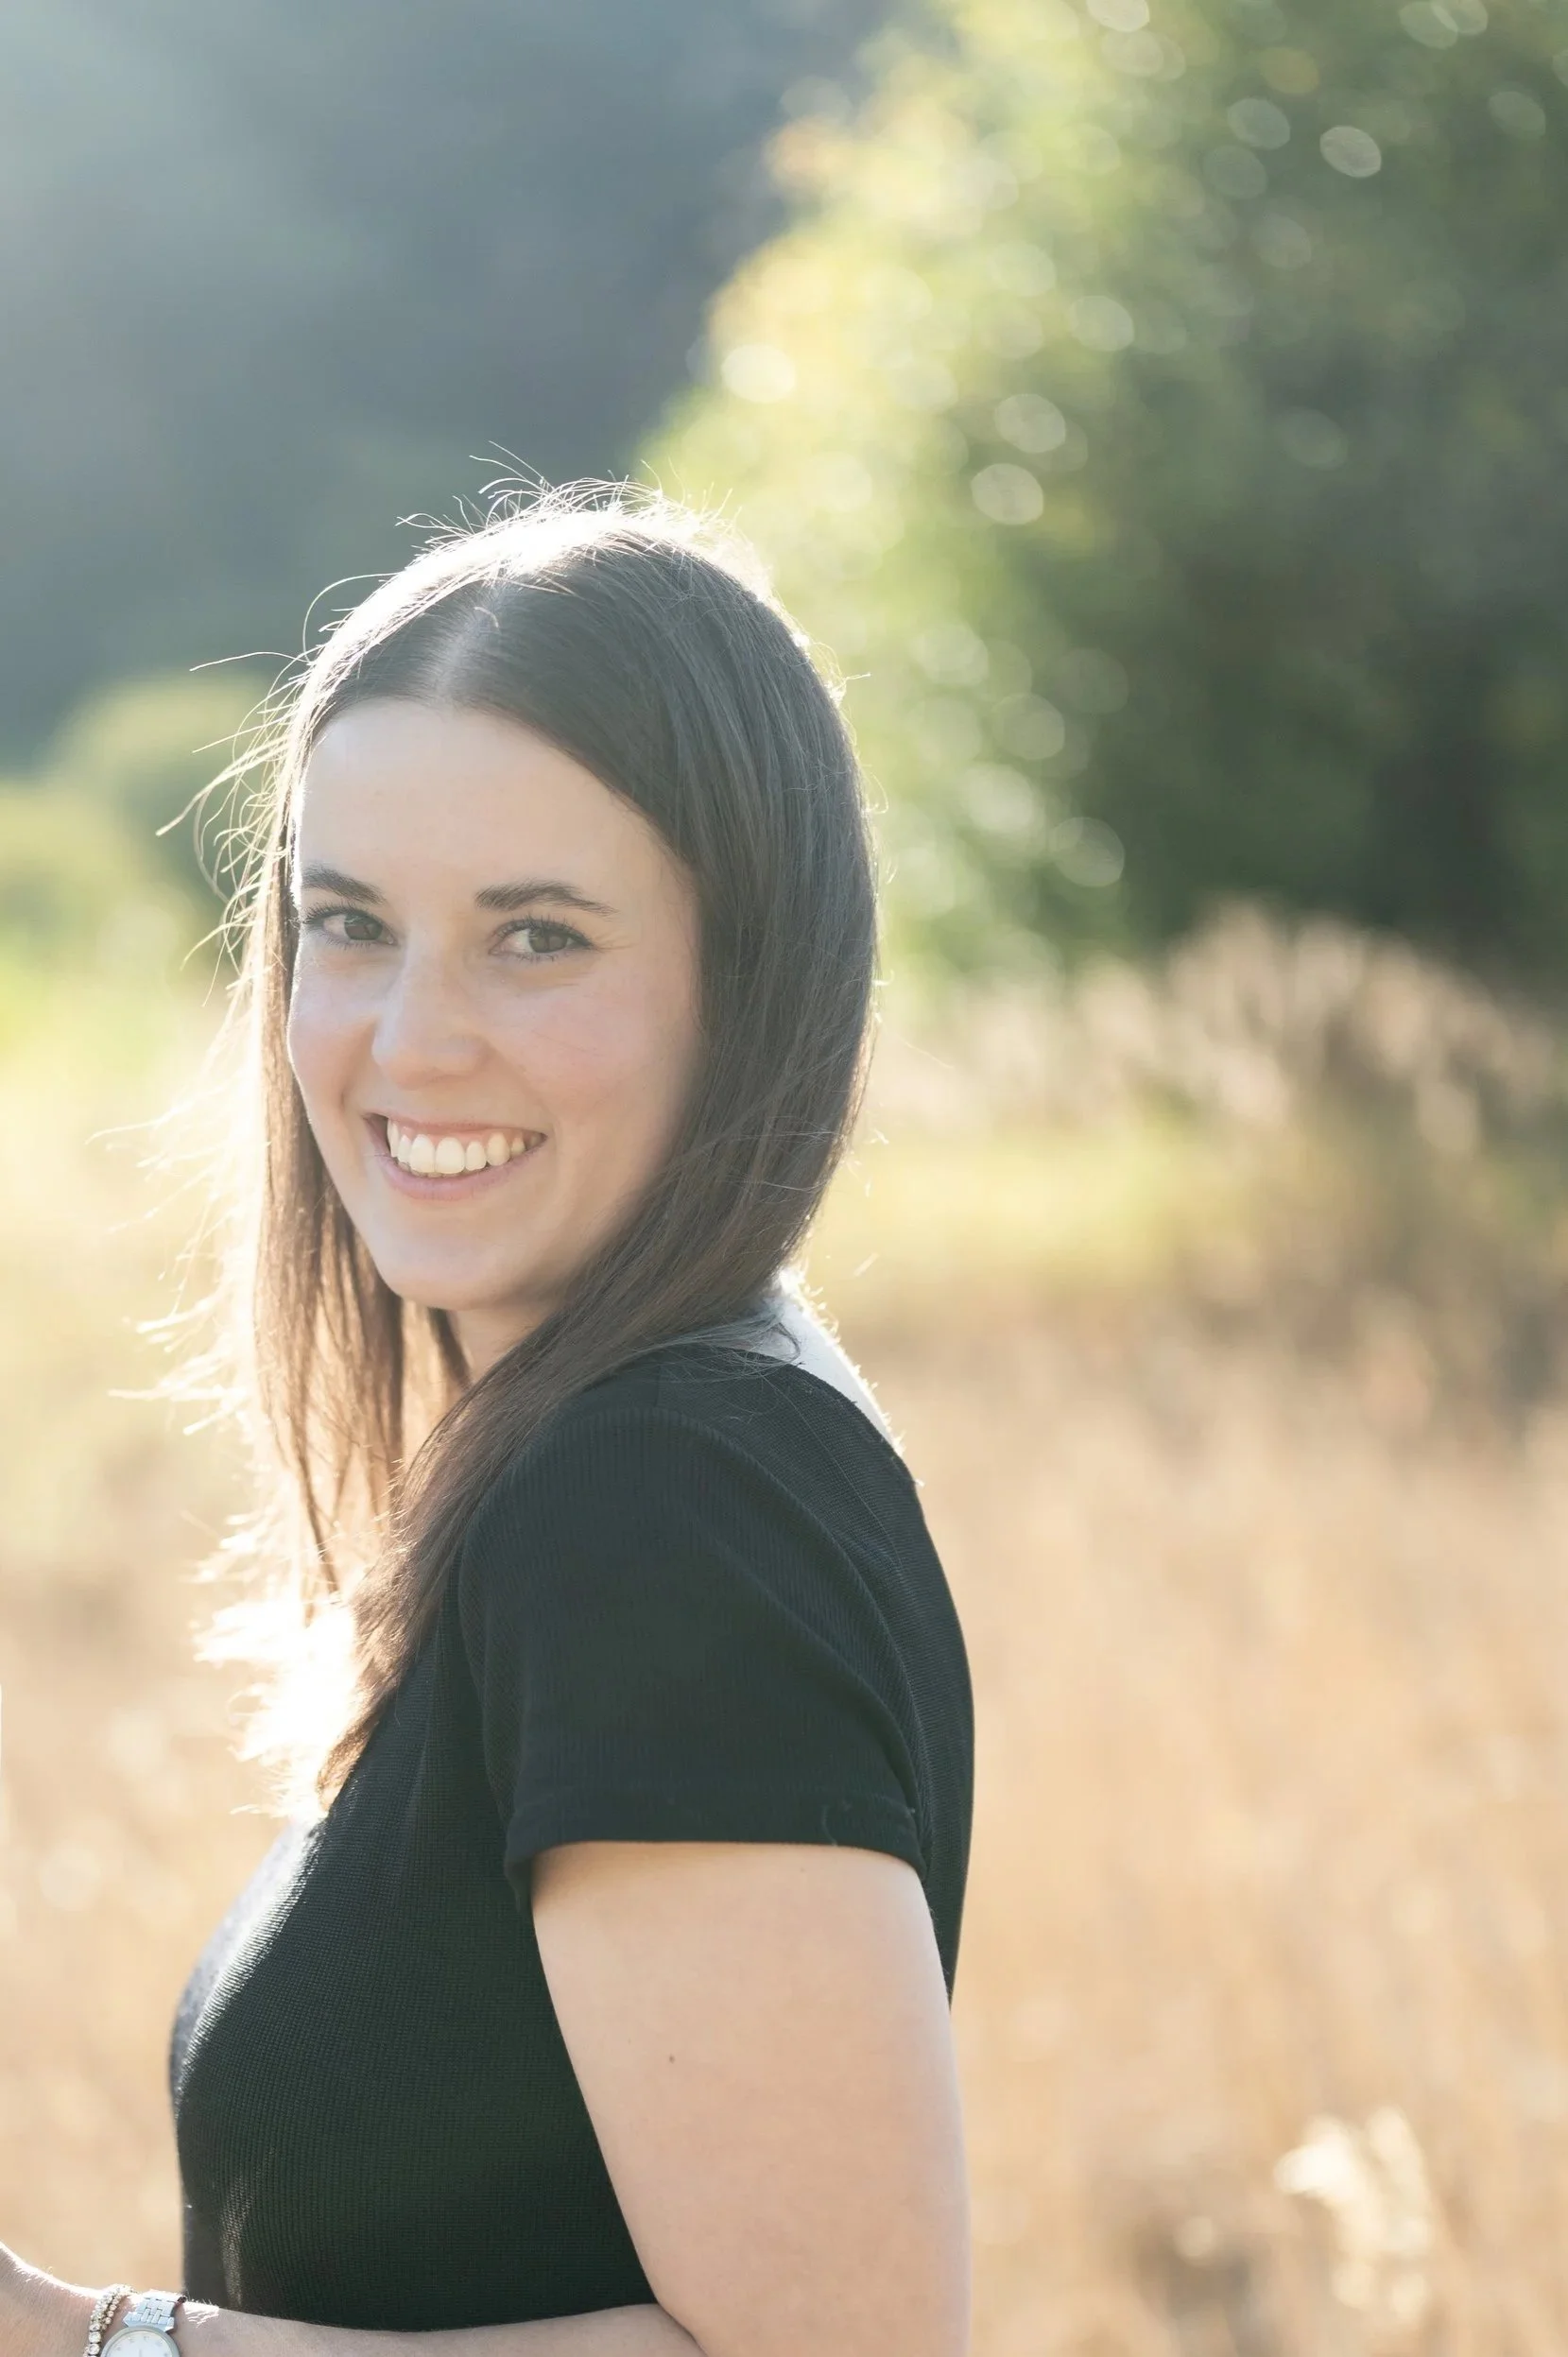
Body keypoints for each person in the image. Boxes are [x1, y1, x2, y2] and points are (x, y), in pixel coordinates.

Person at [3, 487, 974, 2357]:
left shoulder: (665, 1496)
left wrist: (87, 2341)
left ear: (744, 981)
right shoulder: (647, 1436)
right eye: (347, 925)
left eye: (534, 937)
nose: (409, 1037)